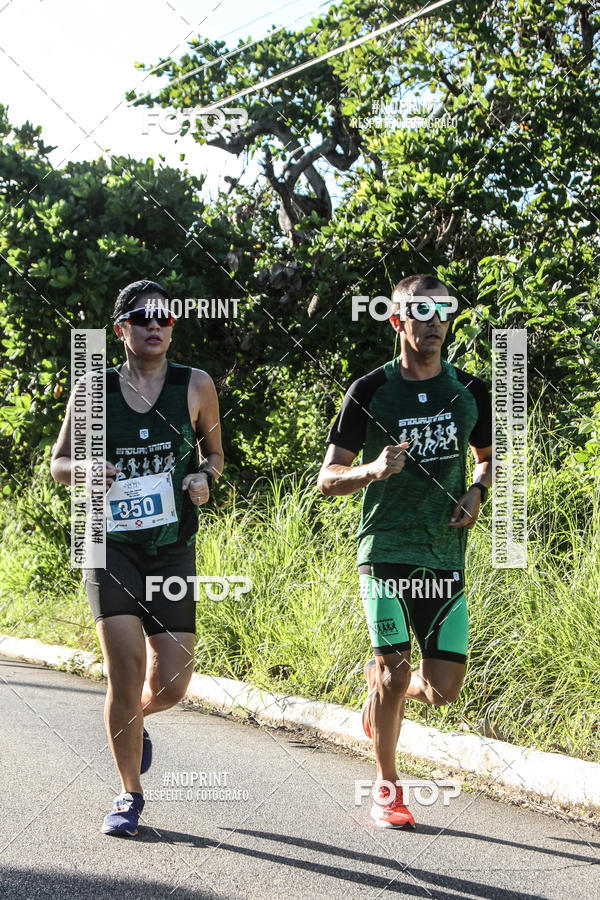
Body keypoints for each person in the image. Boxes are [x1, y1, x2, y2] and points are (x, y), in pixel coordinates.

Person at [317, 274, 492, 829]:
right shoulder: (370, 390)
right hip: (385, 549)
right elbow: (328, 478)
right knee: (395, 673)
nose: (434, 321)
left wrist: (478, 491)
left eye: (443, 311)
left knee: (442, 690)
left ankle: (377, 691)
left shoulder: (471, 390)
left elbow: (489, 457)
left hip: (444, 554)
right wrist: (372, 470)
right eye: (421, 312)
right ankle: (387, 788)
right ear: (397, 320)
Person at [51, 279, 223, 836]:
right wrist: (86, 470)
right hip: (110, 546)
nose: (155, 326)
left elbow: (215, 455)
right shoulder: (93, 389)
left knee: (172, 683)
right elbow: (59, 464)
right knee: (123, 671)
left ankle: (131, 718)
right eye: (143, 318)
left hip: (171, 547)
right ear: (120, 328)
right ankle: (129, 795)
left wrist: (202, 478)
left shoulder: (195, 385)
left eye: (165, 318)